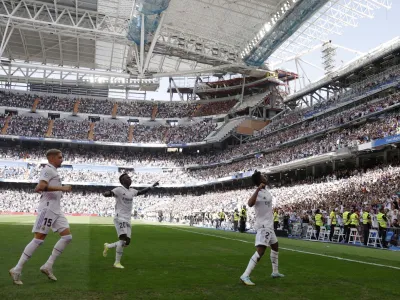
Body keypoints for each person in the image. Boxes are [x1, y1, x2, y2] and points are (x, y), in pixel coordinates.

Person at [9, 149, 73, 285]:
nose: (62, 159)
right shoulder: (48, 169)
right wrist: (62, 188)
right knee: (39, 239)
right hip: (48, 208)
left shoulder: (53, 171)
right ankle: (17, 269)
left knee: (67, 237)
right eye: (60, 157)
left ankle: (48, 265)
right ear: (51, 158)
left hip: (56, 209)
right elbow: (40, 187)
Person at [102, 173, 159, 268]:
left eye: (129, 177)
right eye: (127, 178)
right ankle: (116, 263)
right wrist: (106, 193)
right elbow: (111, 193)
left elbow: (141, 192)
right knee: (123, 238)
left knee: (126, 242)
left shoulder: (132, 191)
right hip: (120, 217)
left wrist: (152, 186)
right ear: (123, 181)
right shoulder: (119, 190)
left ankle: (108, 246)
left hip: (127, 219)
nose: (130, 179)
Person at [240, 171, 284, 286]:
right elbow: (249, 204)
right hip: (264, 226)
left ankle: (275, 272)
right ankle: (245, 275)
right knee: (260, 251)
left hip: (269, 226)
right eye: (262, 176)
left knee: (275, 246)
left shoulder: (266, 191)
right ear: (260, 180)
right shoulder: (258, 192)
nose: (265, 177)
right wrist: (257, 189)